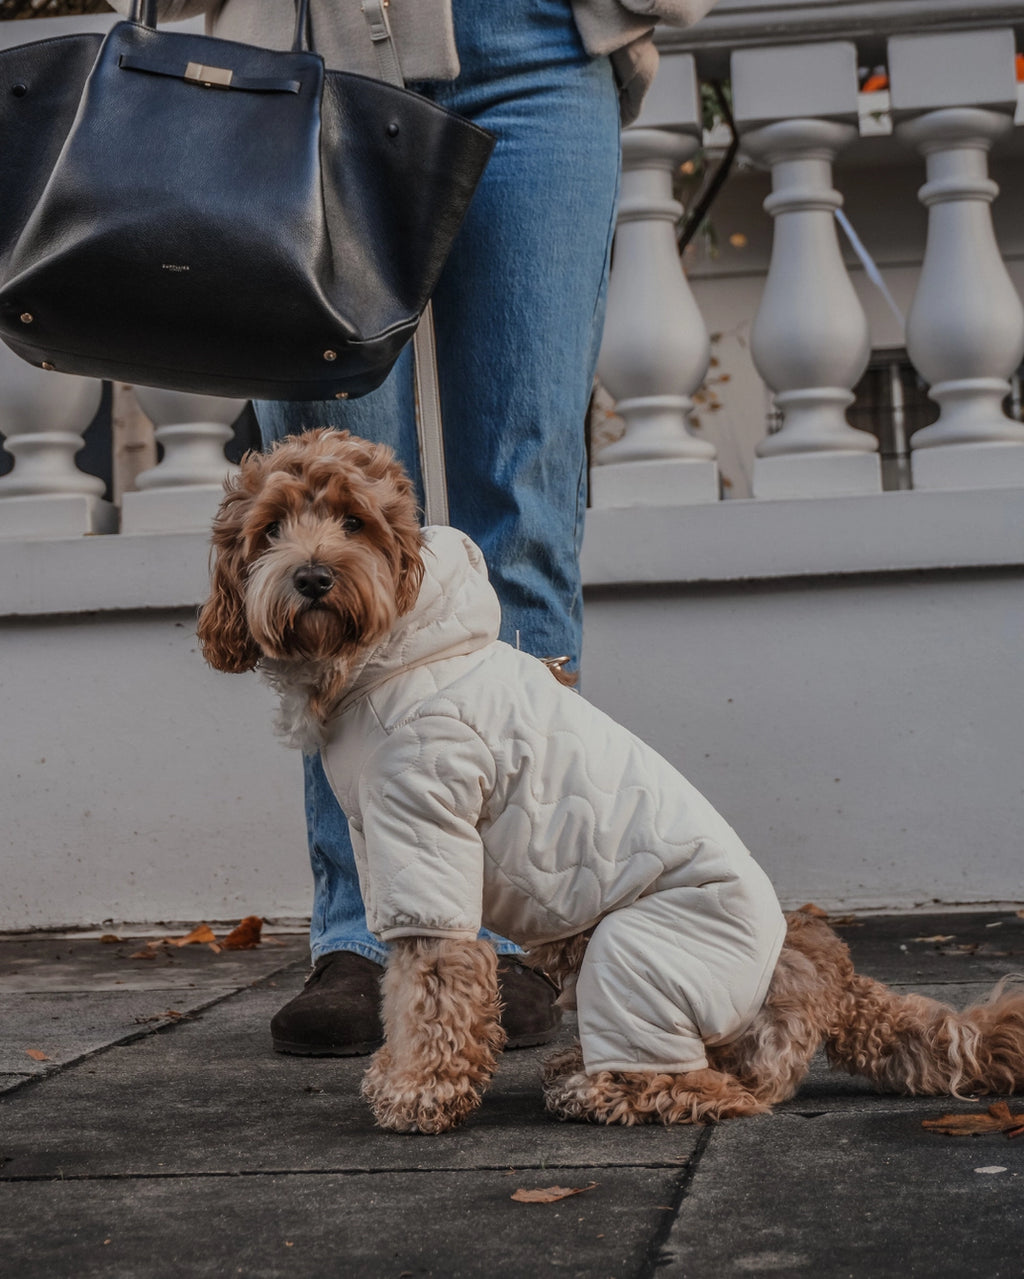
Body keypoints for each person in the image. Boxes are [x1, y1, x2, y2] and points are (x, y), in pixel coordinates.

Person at [117, 0, 717, 1054]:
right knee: (321, 512)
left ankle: (519, 928)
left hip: (535, 45)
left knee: (522, 508)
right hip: (315, 59)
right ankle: (365, 929)